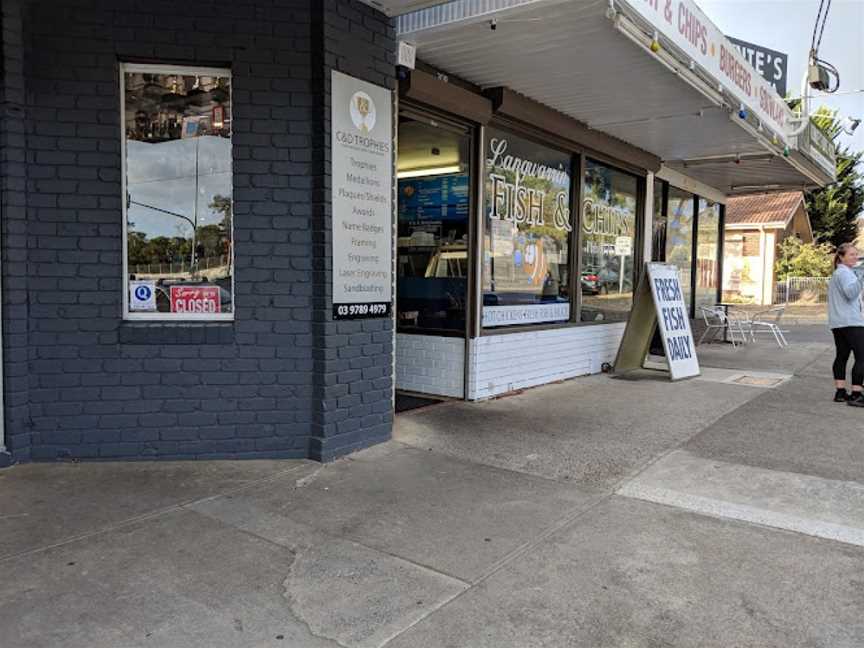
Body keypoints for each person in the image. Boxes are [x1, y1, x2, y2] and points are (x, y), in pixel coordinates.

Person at [828, 243, 864, 406]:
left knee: (842, 356)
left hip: (838, 322)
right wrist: (861, 278)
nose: (855, 257)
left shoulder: (839, 273)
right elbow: (851, 293)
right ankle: (856, 394)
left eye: (856, 254)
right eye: (852, 254)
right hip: (851, 322)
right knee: (862, 357)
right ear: (841, 257)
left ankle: (840, 392)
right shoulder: (845, 273)